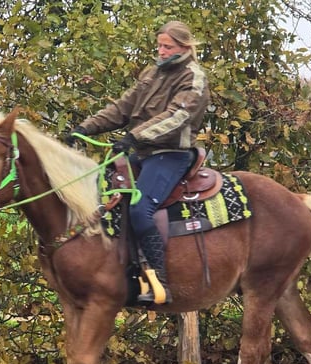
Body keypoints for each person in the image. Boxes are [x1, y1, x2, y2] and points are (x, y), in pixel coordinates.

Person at [65, 20, 210, 304]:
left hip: (171, 154)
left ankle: (159, 281)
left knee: (140, 207)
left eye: (167, 46)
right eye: (160, 45)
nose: (162, 51)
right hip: (142, 152)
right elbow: (123, 107)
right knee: (102, 194)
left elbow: (176, 116)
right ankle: (120, 271)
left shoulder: (193, 77)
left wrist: (134, 137)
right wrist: (84, 128)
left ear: (184, 46)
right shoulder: (153, 72)